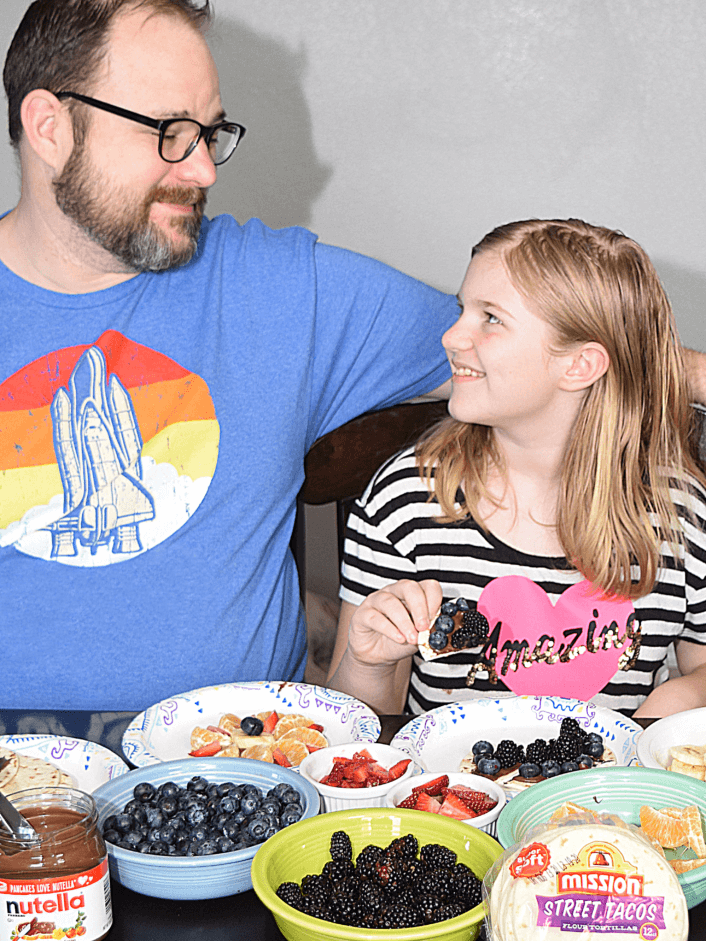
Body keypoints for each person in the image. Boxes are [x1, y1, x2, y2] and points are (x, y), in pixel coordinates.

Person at [0, 0, 458, 715]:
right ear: (50, 128)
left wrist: (693, 376)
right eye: (170, 134)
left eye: (210, 134)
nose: (205, 169)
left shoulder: (282, 289)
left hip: (240, 767)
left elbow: (540, 347)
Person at [328, 217, 706, 720]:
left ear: (578, 366)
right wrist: (367, 661)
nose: (452, 336)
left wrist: (685, 694)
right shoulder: (405, 499)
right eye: (464, 309)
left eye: (491, 318)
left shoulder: (679, 517)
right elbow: (358, 732)